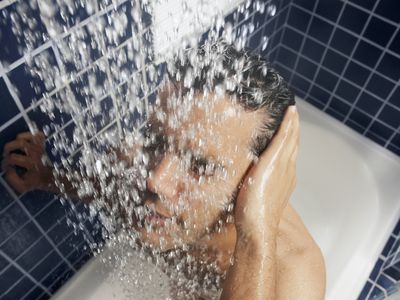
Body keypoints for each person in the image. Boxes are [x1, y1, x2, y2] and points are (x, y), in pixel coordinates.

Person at [1, 43, 326, 299]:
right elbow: (113, 194)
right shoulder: (159, 196)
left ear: (257, 181)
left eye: (200, 166)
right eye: (155, 141)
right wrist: (46, 178)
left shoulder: (292, 275)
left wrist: (255, 236)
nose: (156, 180)